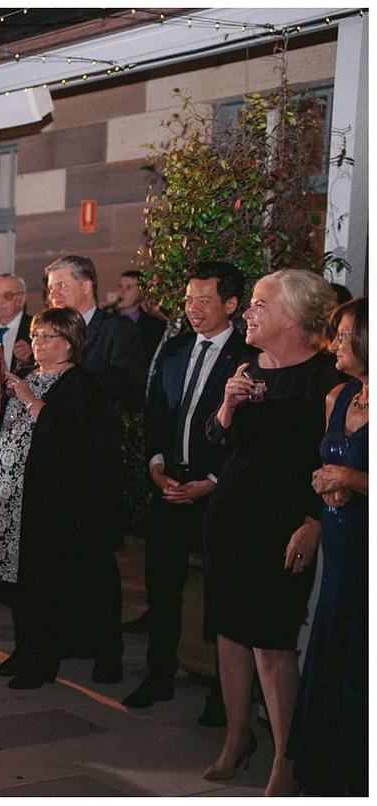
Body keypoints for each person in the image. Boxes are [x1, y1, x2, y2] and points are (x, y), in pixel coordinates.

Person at [201, 269, 341, 795]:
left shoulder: (325, 377)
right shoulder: (243, 363)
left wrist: (312, 521)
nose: (248, 313)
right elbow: (215, 438)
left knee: (272, 641)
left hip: (284, 524)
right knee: (230, 633)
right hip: (230, 516)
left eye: (260, 304)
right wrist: (228, 406)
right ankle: (237, 739)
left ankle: (287, 758)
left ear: (293, 315)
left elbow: (329, 458)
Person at [123, 262, 246, 710]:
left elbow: (246, 435)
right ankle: (158, 675)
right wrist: (156, 468)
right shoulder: (174, 349)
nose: (193, 309)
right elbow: (156, 417)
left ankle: (222, 692)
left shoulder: (247, 355)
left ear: (231, 305)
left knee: (220, 593)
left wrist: (210, 482)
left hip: (218, 495)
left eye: (204, 301)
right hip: (168, 487)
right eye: (188, 300)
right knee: (162, 587)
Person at [0, 307, 104, 689]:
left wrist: (31, 398)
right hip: (9, 494)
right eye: (36, 335)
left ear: (70, 342)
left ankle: (43, 660)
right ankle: (22, 650)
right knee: (19, 583)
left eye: (48, 336)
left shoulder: (80, 384)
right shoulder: (29, 375)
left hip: (47, 498)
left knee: (43, 582)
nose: (38, 342)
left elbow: (68, 437)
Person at [45, 255, 145, 683]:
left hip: (98, 459)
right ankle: (74, 635)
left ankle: (109, 650)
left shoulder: (116, 330)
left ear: (86, 286)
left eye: (60, 286)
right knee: (64, 555)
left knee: (99, 557)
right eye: (50, 287)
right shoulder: (49, 328)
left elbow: (129, 384)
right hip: (57, 457)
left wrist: (74, 371)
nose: (53, 294)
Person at [289, 297, 368, 795]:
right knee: (334, 639)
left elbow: (352, 473)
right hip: (339, 544)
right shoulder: (337, 397)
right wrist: (327, 491)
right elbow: (325, 466)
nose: (334, 343)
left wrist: (353, 479)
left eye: (342, 334)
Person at [0, 273, 34, 375]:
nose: (0, 301)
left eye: (8, 296)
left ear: (22, 298)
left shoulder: (35, 329)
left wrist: (26, 361)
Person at [114, 270, 167, 363]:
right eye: (120, 287)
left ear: (141, 292)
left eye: (128, 288)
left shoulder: (155, 326)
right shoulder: (107, 321)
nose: (121, 292)